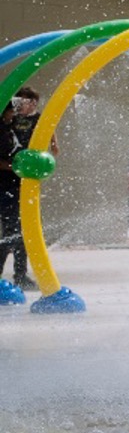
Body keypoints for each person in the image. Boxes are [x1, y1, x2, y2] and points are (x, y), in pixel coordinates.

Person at [0, 88, 41, 290]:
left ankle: (21, 275)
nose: (14, 113)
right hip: (5, 187)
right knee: (10, 233)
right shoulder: (2, 129)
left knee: (20, 233)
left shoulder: (10, 127)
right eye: (12, 110)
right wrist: (16, 167)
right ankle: (12, 276)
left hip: (19, 185)